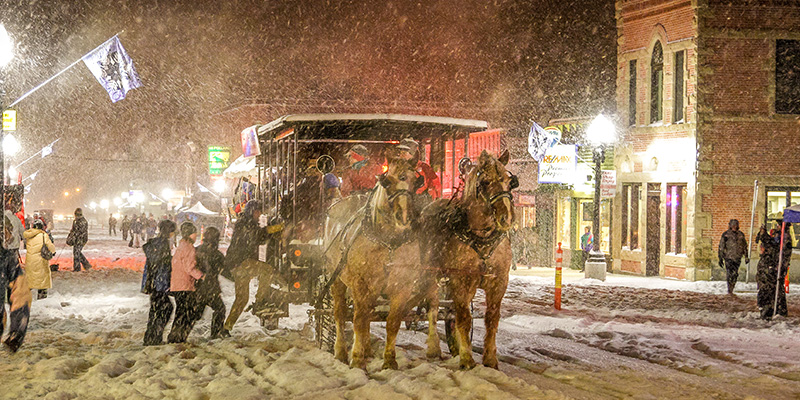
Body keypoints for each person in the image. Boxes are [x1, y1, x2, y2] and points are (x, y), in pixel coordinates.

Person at [223, 200, 275, 332]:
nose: (259, 214)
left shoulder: (246, 223)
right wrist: (271, 229)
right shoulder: (244, 224)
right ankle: (260, 301)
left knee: (242, 299)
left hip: (238, 265)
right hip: (242, 262)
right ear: (252, 211)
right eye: (257, 211)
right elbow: (256, 237)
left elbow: (259, 238)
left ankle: (226, 327)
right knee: (268, 270)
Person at [142, 219, 177, 346]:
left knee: (155, 310)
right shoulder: (162, 244)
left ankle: (150, 337)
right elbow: (162, 266)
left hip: (153, 283)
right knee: (166, 308)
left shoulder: (156, 242)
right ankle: (154, 337)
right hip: (158, 284)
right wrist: (165, 285)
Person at [168, 222, 204, 343]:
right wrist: (201, 276)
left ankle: (175, 337)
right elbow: (189, 268)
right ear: (190, 234)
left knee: (180, 313)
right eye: (195, 233)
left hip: (177, 284)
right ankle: (179, 337)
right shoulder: (189, 248)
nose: (196, 235)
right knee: (187, 314)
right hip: (185, 285)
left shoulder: (181, 246)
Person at [1, 216, 31, 352]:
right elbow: (21, 296)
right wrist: (17, 333)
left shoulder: (7, 258)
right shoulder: (6, 258)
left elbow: (21, 295)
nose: (10, 236)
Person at [193, 226, 228, 339]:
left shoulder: (196, 250)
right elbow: (224, 271)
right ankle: (216, 333)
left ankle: (181, 332)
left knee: (196, 313)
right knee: (219, 309)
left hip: (197, 287)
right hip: (210, 288)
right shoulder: (217, 255)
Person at [756, 223, 790, 320]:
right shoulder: (769, 255)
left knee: (770, 295)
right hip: (770, 280)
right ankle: (776, 310)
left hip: (768, 282)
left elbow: (772, 245)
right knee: (775, 293)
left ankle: (770, 312)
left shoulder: (782, 239)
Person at [23, 219, 56, 299]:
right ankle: (41, 297)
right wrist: (53, 252)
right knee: (42, 280)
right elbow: (50, 246)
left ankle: (25, 297)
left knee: (31, 278)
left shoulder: (29, 235)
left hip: (30, 261)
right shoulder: (43, 235)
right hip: (40, 261)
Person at [718, 219, 749, 295]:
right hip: (728, 257)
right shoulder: (726, 235)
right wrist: (720, 258)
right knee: (729, 273)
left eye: (735, 225)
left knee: (735, 274)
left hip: (737, 257)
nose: (734, 227)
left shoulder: (741, 235)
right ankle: (729, 289)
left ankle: (732, 286)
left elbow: (744, 246)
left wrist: (746, 256)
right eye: (733, 225)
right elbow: (721, 246)